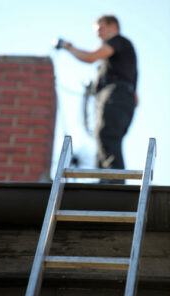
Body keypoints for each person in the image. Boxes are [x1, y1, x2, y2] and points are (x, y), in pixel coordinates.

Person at [61, 15, 138, 183]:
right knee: (104, 139)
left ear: (113, 26)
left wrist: (68, 47)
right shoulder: (124, 57)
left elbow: (90, 57)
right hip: (123, 100)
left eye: (100, 28)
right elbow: (135, 96)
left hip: (114, 97)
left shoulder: (118, 41)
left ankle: (114, 184)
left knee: (105, 135)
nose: (98, 34)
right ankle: (104, 181)